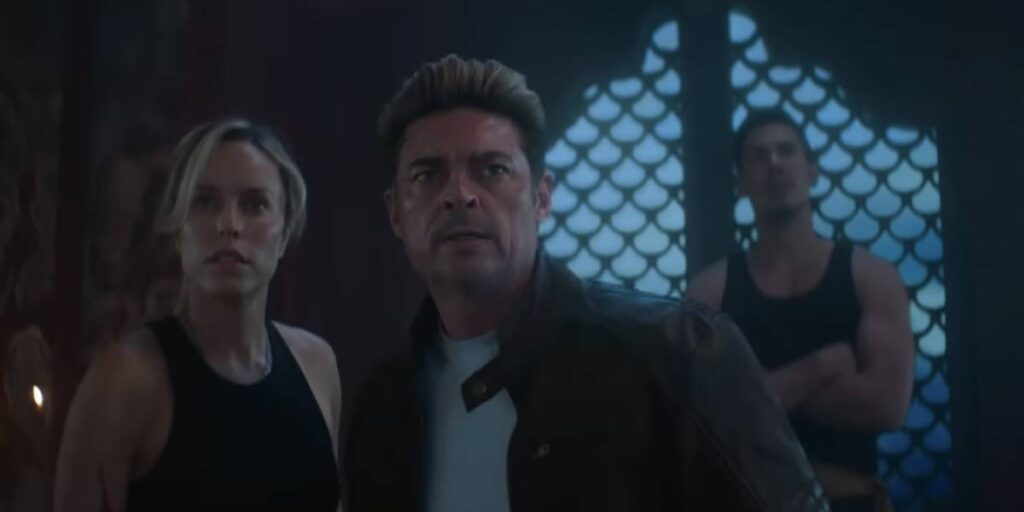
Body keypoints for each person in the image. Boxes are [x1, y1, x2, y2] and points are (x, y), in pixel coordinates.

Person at [345, 54, 827, 512]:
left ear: (542, 198)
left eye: (492, 170)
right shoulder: (382, 407)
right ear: (395, 213)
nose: (459, 195)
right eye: (428, 175)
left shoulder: (676, 352)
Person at [55, 118, 342, 512]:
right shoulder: (127, 382)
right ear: (178, 229)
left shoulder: (316, 366)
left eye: (254, 204)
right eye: (205, 202)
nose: (229, 225)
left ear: (285, 230)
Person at [688, 109, 915, 512]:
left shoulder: (871, 278)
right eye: (759, 156)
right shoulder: (711, 292)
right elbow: (709, 418)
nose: (774, 163)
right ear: (741, 183)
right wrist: (822, 367)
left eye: (786, 150)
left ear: (812, 171)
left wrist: (764, 393)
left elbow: (887, 406)